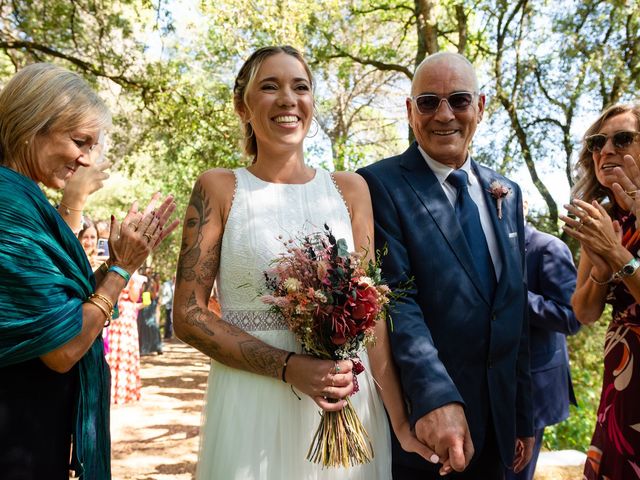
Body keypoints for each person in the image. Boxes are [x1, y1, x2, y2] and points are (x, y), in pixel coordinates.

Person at [173, 45, 435, 480]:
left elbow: (372, 322)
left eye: (301, 87)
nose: (288, 99)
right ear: (244, 105)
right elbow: (187, 314)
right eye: (269, 87)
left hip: (345, 403)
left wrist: (401, 421)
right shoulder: (218, 188)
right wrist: (289, 368)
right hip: (251, 404)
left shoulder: (350, 190)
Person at [357, 51, 534, 479]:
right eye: (428, 102)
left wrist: (523, 415)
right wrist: (436, 398)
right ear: (409, 110)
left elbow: (514, 308)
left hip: (499, 423)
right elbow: (397, 302)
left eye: (458, 100)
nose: (444, 115)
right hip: (427, 429)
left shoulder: (506, 192)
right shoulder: (377, 185)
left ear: (480, 107)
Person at [0, 63, 178, 480]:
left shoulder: (27, 200)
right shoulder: (10, 206)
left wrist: (115, 264)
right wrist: (120, 268)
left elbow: (62, 307)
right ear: (31, 124)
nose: (85, 159)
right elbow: (61, 348)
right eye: (79, 141)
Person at [561, 103, 640, 479]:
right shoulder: (601, 218)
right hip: (623, 376)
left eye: (622, 139)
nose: (605, 150)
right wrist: (602, 270)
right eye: (597, 142)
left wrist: (615, 253)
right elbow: (584, 312)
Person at [505, 201, 580, 480]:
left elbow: (571, 318)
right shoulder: (488, 248)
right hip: (496, 383)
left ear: (522, 204)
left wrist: (514, 296)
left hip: (535, 386)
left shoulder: (548, 247)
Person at [106, 266, 147, 404]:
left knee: (115, 352)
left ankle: (114, 390)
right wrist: (138, 283)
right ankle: (124, 391)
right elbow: (134, 297)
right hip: (126, 317)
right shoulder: (132, 273)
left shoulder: (115, 268)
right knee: (125, 352)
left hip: (116, 313)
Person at [137, 269, 163, 355]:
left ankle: (158, 347)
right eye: (146, 272)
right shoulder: (142, 282)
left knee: (152, 324)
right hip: (144, 304)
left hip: (150, 304)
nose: (147, 274)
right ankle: (144, 349)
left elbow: (155, 295)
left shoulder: (152, 282)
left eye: (149, 273)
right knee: (144, 325)